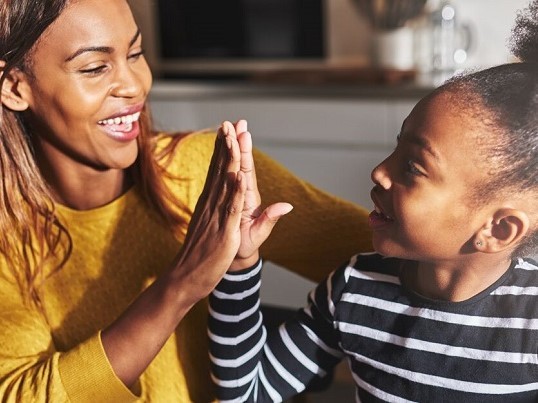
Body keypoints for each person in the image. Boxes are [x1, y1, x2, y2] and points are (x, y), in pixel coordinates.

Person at [0, 0, 373, 401]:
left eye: (136, 54)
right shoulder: (8, 238)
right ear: (14, 86)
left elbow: (400, 254)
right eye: (95, 67)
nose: (134, 85)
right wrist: (182, 285)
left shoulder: (205, 170)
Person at [208, 1, 538, 401]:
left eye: (413, 167)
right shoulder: (353, 288)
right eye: (396, 149)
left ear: (497, 230)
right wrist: (239, 266)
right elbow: (247, 393)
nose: (380, 171)